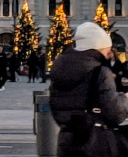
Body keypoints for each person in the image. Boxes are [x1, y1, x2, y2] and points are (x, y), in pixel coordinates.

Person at [50, 22, 128, 156]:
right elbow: (116, 113)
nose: (108, 55)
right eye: (106, 50)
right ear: (98, 49)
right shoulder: (100, 72)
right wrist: (124, 99)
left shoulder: (60, 70)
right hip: (97, 142)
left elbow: (57, 108)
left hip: (67, 141)